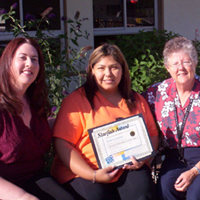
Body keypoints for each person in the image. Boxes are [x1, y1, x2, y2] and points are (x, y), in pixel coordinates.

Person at [51, 43, 159, 200]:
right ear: (92, 71)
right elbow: (62, 144)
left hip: (126, 167)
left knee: (142, 192)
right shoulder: (75, 101)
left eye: (114, 67)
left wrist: (143, 159)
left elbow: (153, 135)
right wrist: (93, 174)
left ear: (122, 70)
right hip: (83, 171)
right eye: (101, 68)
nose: (108, 73)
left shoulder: (135, 100)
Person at [0, 37, 76, 200]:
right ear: (8, 62)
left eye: (34, 60)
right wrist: (23, 197)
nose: (29, 63)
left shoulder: (34, 102)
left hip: (34, 177)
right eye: (22, 58)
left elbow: (35, 132)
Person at [142, 36, 200, 200]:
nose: (181, 68)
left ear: (195, 63)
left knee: (196, 194)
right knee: (165, 188)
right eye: (175, 64)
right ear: (167, 68)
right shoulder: (158, 92)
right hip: (175, 157)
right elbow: (131, 107)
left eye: (186, 62)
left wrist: (195, 171)